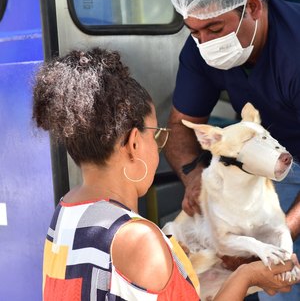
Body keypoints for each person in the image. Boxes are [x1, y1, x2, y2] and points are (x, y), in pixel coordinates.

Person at [33, 47, 298, 300]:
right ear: (134, 143)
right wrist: (247, 276)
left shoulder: (66, 210)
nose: (158, 146)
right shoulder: (140, 240)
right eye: (157, 135)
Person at [164, 0, 300, 300]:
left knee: (280, 265)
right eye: (194, 32)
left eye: (214, 28)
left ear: (253, 7)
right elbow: (180, 127)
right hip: (268, 164)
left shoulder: (294, 51)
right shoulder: (201, 49)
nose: (205, 43)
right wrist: (196, 179)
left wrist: (273, 239)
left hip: (287, 161)